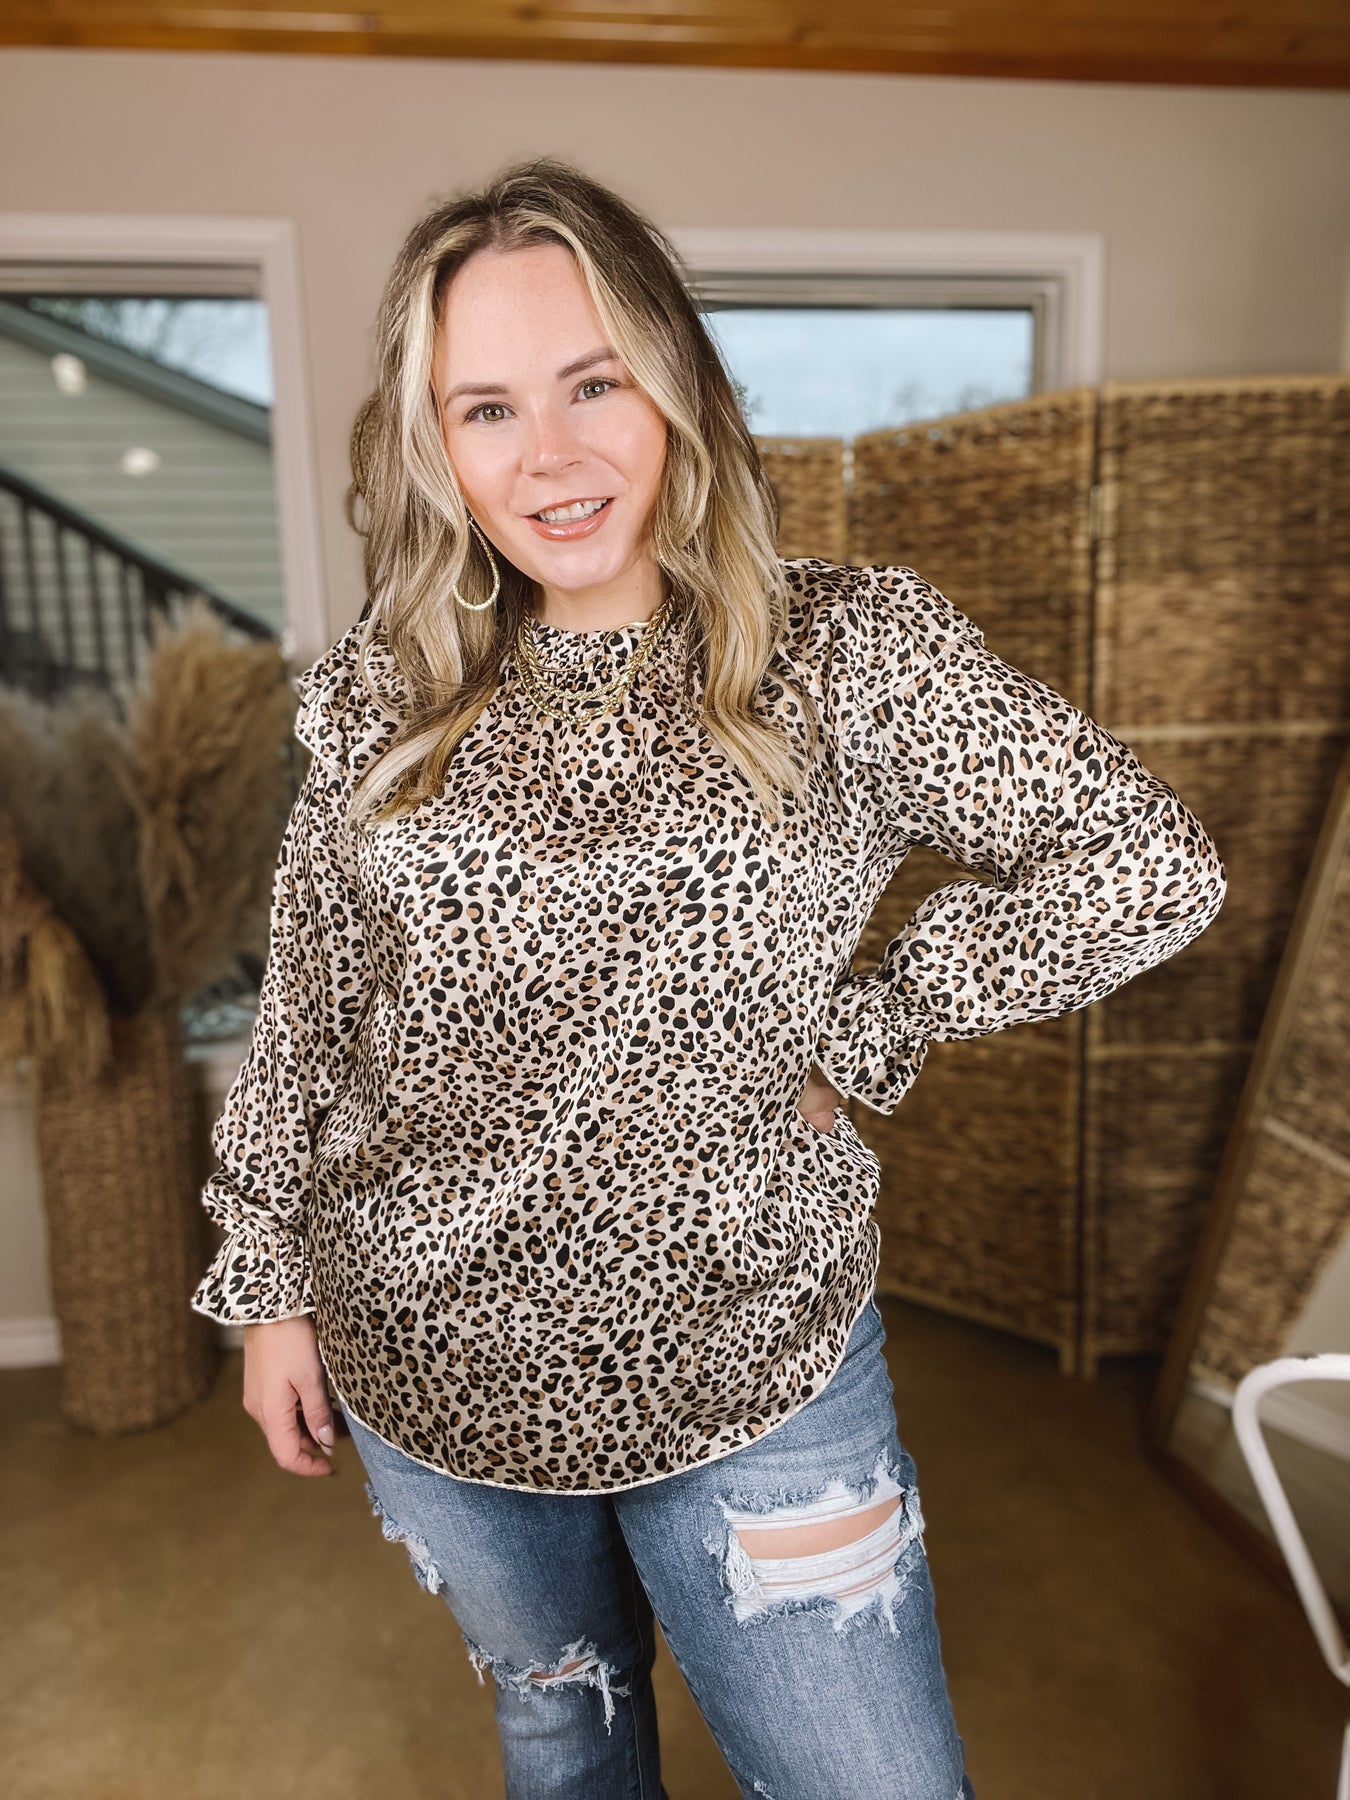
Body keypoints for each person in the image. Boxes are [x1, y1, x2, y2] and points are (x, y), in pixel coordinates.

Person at [190, 155, 1227, 1800]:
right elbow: (309, 1017)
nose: (550, 455)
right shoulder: (378, 695)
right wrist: (265, 1286)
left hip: (754, 1355)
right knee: (565, 1738)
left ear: (677, 384)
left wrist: (877, 1020)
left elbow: (1147, 861)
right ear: (435, 447)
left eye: (593, 382)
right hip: (425, 1354)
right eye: (486, 409)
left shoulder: (847, 653)